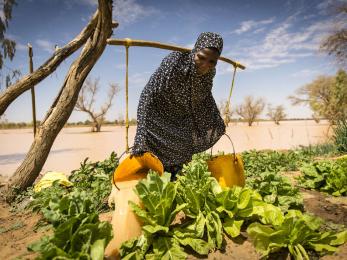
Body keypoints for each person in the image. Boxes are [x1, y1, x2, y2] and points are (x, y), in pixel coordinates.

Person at [131, 32, 226, 180]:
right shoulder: (175, 62)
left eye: (212, 61)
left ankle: (173, 183)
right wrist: (141, 131)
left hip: (181, 119)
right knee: (150, 157)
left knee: (181, 151)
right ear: (195, 51)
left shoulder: (209, 74)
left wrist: (217, 121)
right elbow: (149, 93)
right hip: (157, 116)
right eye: (201, 57)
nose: (205, 65)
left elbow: (206, 98)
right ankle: (153, 182)